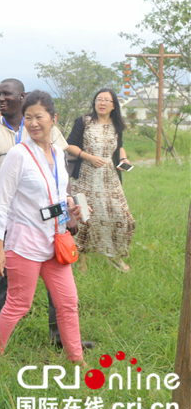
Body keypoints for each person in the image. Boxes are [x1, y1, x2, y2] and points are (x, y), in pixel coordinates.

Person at [0, 79, 93, 350]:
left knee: (68, 303)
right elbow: (0, 203)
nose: (33, 123)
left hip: (55, 240)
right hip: (25, 243)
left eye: (39, 117)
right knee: (18, 304)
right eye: (29, 117)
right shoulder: (18, 155)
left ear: (53, 119)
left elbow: (56, 195)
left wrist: (71, 206)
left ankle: (76, 358)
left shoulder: (58, 153)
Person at [66, 88, 135, 272]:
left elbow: (119, 147)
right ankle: (81, 261)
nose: (102, 103)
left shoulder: (117, 124)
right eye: (99, 99)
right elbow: (69, 145)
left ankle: (116, 257)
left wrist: (124, 158)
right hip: (85, 177)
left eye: (106, 100)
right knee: (84, 217)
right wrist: (88, 157)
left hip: (109, 177)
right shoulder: (83, 121)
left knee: (122, 217)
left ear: (114, 106)